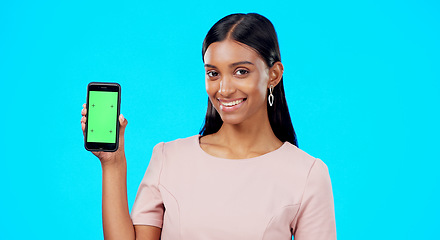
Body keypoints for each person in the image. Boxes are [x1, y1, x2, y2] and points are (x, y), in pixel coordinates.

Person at [81, 13, 336, 240]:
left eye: (241, 72)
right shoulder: (169, 157)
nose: (224, 89)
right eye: (213, 73)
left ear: (274, 75)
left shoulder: (307, 174)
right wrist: (112, 163)